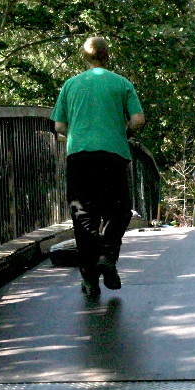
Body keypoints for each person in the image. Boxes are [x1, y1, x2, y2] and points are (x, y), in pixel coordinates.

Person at [51, 36, 145, 297]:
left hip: (80, 157)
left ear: (85, 56)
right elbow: (138, 119)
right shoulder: (121, 83)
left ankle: (89, 279)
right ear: (107, 55)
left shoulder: (70, 85)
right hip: (112, 155)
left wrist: (73, 135)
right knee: (120, 212)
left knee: (84, 217)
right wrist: (123, 134)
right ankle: (107, 255)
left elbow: (59, 126)